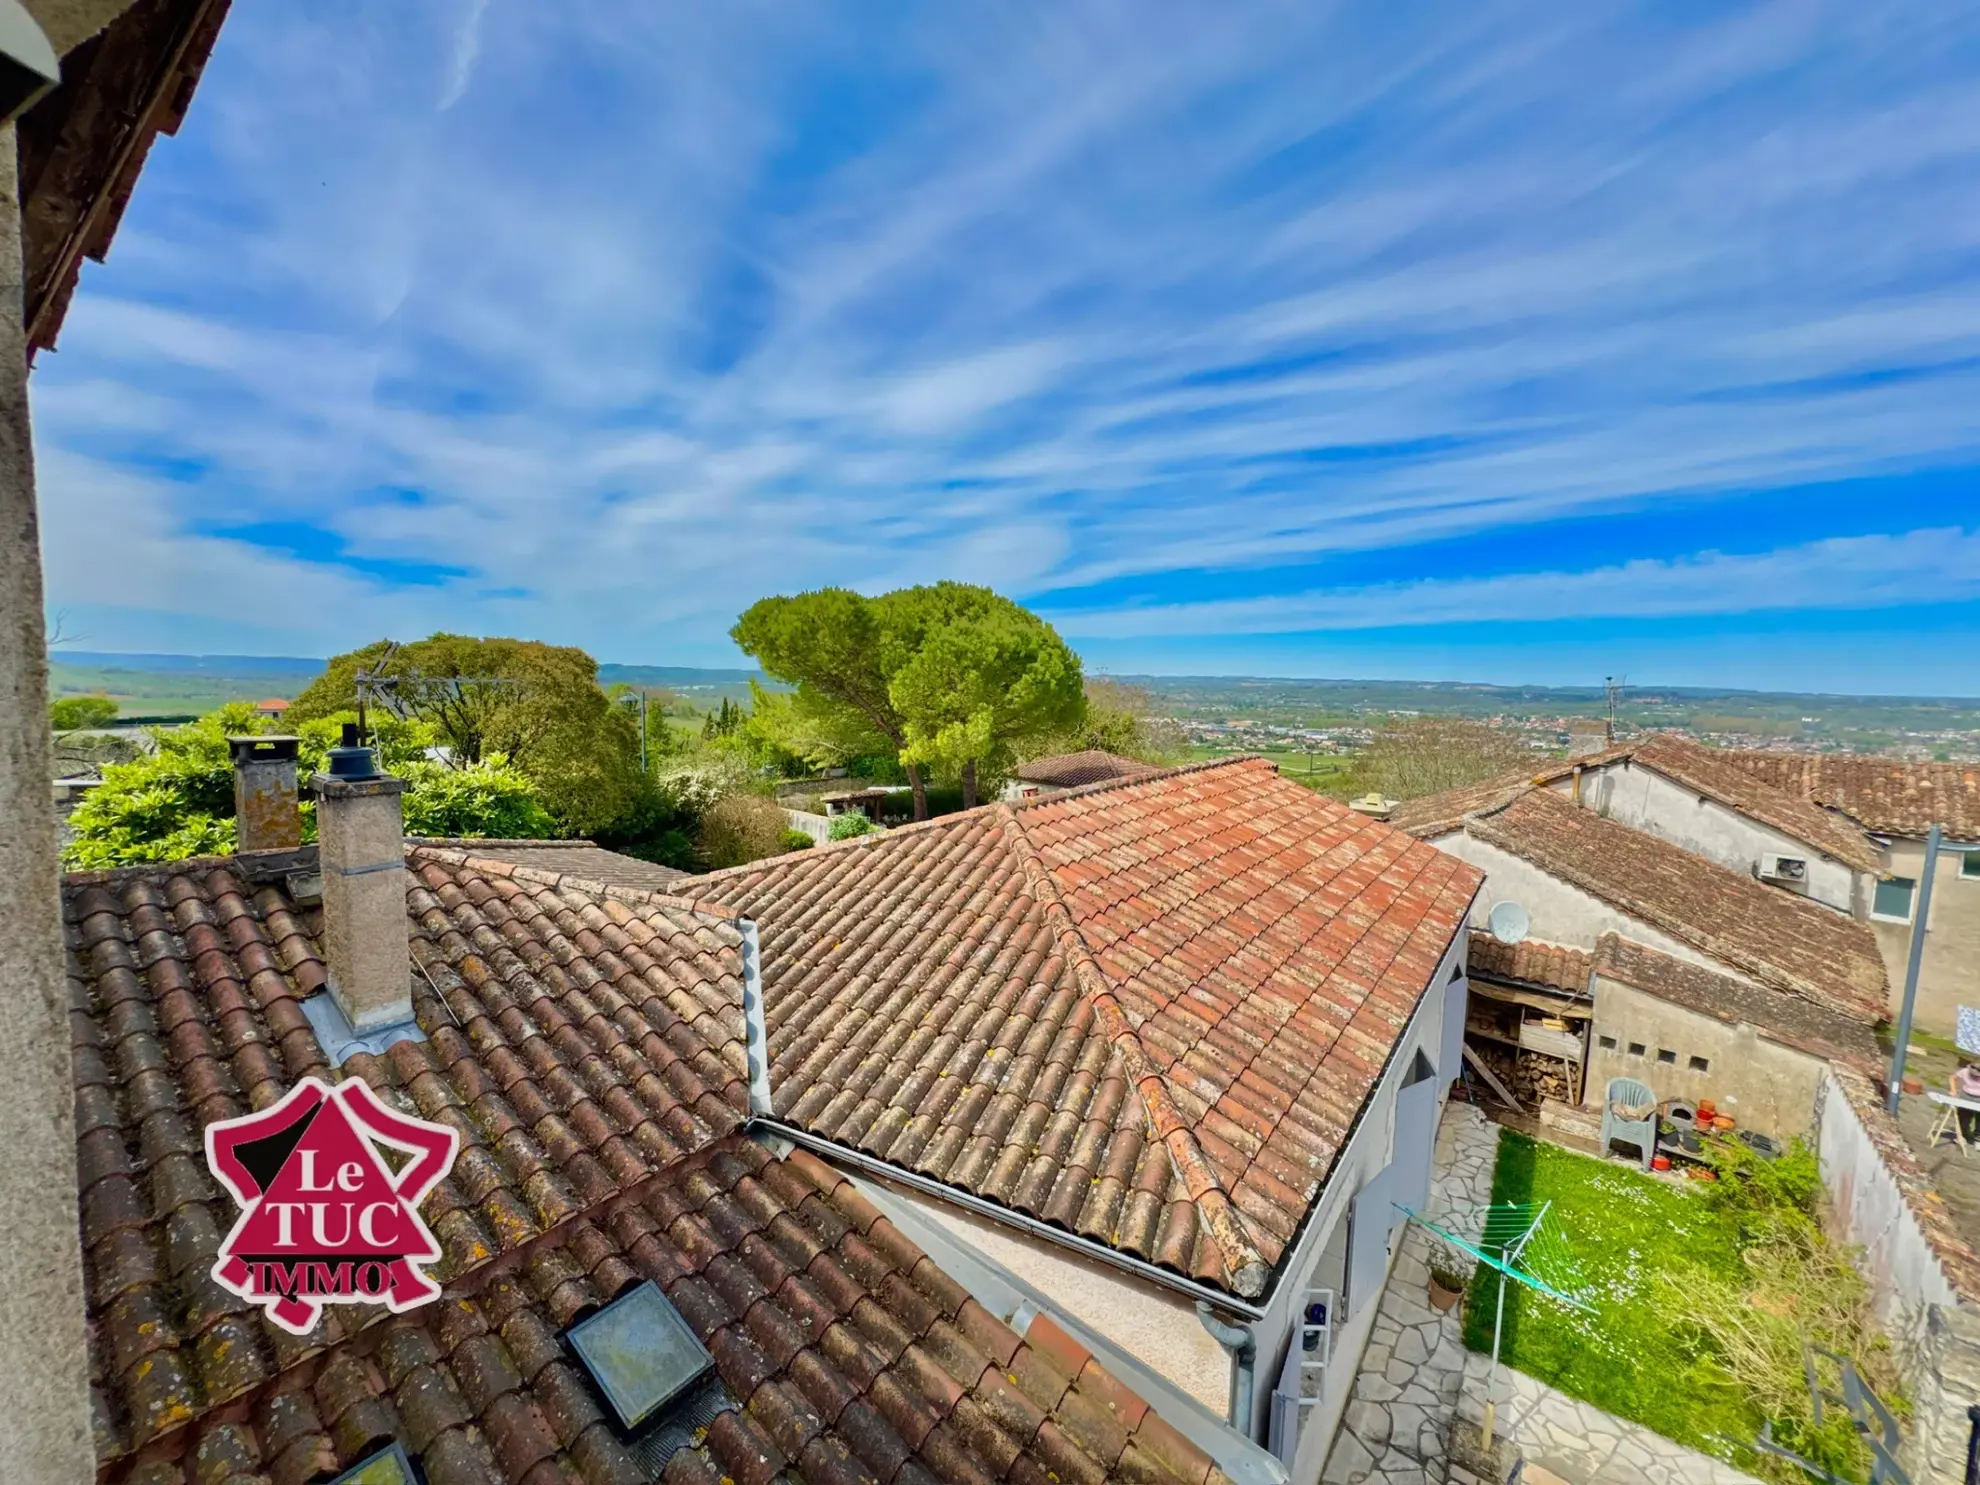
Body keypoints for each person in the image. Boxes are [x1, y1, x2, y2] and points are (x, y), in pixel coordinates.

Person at [1954, 1060, 1980, 1142]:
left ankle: (1977, 1136)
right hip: (1966, 1095)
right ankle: (1963, 1134)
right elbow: (1953, 1077)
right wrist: (1953, 1090)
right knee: (1963, 1117)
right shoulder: (1965, 1071)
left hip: (1979, 1097)